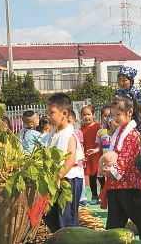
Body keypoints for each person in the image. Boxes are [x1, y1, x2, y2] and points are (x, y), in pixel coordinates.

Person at [99, 95, 141, 241]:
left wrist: (113, 172)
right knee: (114, 225)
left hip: (130, 185)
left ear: (129, 112)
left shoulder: (133, 134)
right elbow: (112, 154)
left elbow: (126, 157)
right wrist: (104, 167)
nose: (115, 118)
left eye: (118, 114)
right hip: (116, 185)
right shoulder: (118, 132)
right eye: (113, 115)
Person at [42, 93, 84, 232]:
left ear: (64, 113)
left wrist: (57, 177)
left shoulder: (69, 134)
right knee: (50, 215)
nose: (48, 115)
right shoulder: (51, 134)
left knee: (67, 219)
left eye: (52, 112)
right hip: (55, 180)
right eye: (47, 112)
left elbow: (70, 160)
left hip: (68, 179)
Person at [81, 105, 105, 205]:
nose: (86, 117)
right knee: (91, 178)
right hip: (88, 156)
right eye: (84, 115)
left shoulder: (99, 127)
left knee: (101, 177)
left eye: (88, 114)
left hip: (98, 155)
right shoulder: (81, 129)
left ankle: (104, 195)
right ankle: (94, 196)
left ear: (93, 115)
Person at [68, 110, 88, 207]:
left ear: (75, 121)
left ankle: (83, 198)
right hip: (70, 163)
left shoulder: (78, 132)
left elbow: (81, 145)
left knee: (81, 180)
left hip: (78, 161)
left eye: (70, 121)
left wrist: (83, 156)